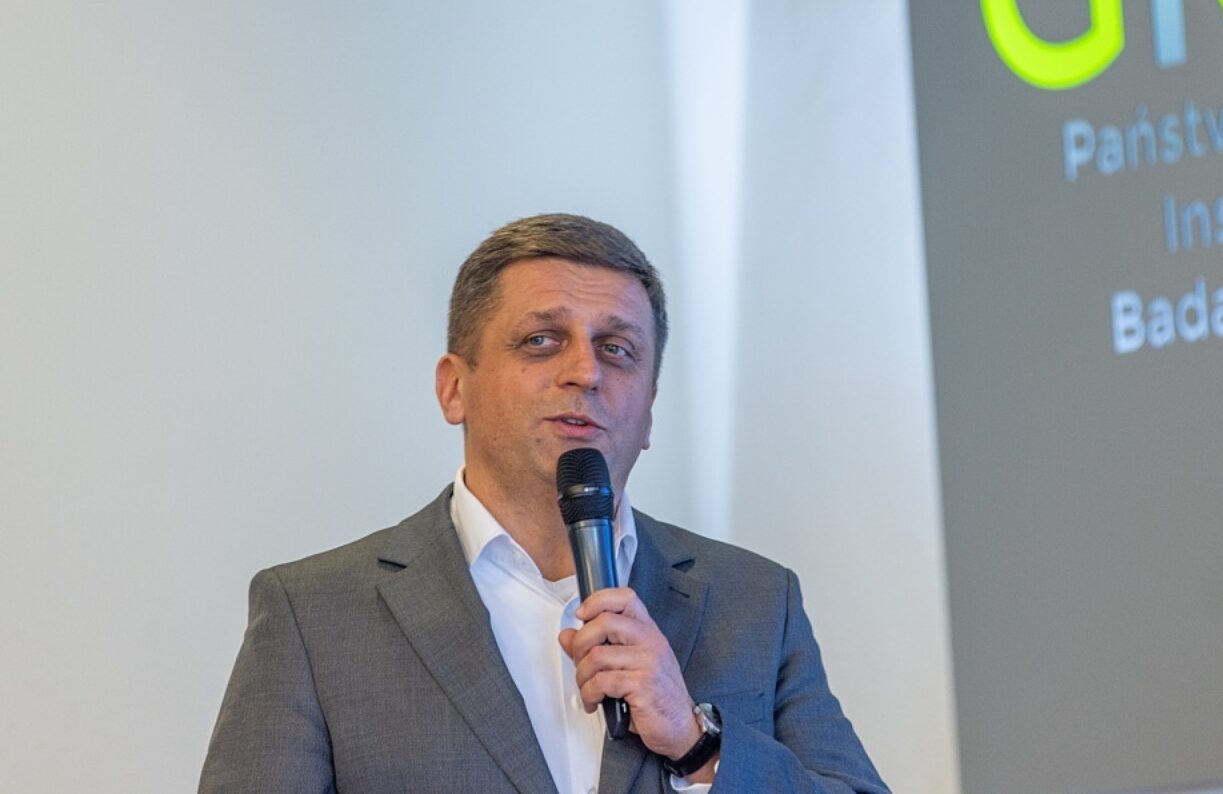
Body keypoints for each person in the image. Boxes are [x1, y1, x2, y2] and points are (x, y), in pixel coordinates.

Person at [199, 214, 887, 793]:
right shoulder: (315, 616)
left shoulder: (756, 602)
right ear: (454, 388)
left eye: (617, 349)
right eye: (541, 341)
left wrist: (698, 743)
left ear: (649, 411)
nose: (584, 371)